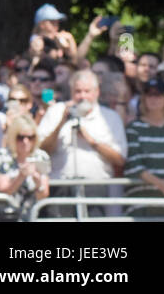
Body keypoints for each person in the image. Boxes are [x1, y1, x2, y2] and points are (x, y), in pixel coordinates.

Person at [37, 70, 127, 216]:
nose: (82, 96)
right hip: (60, 187)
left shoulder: (110, 117)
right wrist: (61, 123)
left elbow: (120, 159)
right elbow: (41, 151)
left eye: (87, 91)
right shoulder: (56, 111)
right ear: (71, 91)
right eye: (78, 91)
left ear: (97, 92)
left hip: (96, 188)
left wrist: (92, 141)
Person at [123, 78, 164, 216]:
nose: (153, 98)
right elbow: (134, 164)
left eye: (158, 94)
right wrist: (162, 185)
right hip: (142, 202)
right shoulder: (134, 128)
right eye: (149, 94)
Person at [0, 113, 51, 221]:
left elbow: (43, 195)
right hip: (5, 216)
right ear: (13, 137)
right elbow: (4, 191)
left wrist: (38, 182)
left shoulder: (41, 157)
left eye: (30, 137)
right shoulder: (3, 156)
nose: (25, 141)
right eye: (21, 137)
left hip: (32, 215)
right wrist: (21, 176)